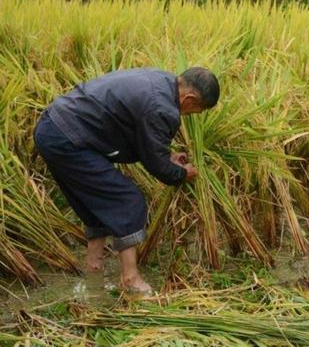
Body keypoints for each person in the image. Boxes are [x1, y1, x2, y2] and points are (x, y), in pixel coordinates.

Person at [33, 67, 219, 293]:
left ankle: (94, 271)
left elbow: (139, 134)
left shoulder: (159, 80)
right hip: (69, 139)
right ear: (189, 98)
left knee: (96, 203)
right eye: (195, 111)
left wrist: (167, 156)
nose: (189, 115)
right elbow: (159, 169)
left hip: (53, 128)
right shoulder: (163, 108)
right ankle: (130, 279)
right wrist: (182, 173)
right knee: (127, 200)